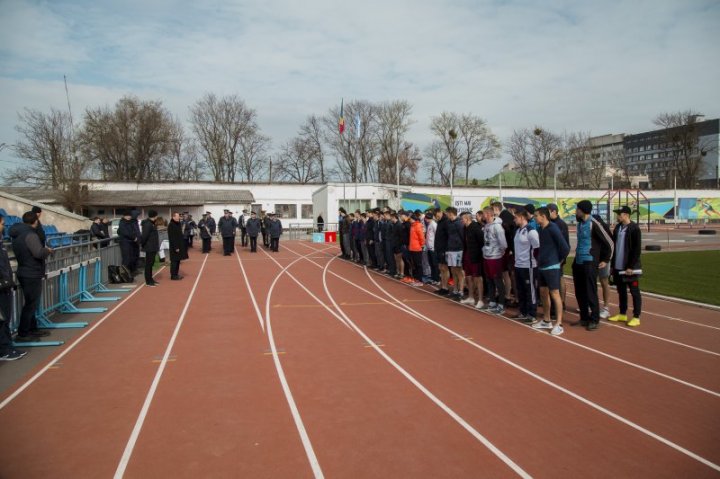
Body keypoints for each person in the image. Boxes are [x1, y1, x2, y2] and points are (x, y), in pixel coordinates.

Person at [9, 211, 53, 342]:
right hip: (31, 272)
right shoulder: (30, 235)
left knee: (31, 303)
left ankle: (32, 328)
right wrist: (48, 251)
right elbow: (38, 253)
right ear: (36, 221)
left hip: (24, 270)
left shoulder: (17, 234)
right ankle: (23, 333)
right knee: (31, 304)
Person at [572, 200, 614, 331]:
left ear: (582, 210)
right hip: (578, 260)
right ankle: (584, 317)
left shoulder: (594, 223)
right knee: (579, 291)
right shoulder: (579, 224)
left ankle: (594, 319)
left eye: (577, 209)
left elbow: (610, 242)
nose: (575, 211)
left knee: (590, 291)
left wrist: (606, 259)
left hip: (590, 260)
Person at [534, 207, 570, 335]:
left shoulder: (553, 228)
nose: (534, 218)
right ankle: (546, 319)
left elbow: (565, 247)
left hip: (552, 267)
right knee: (543, 293)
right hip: (542, 266)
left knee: (555, 293)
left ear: (543, 216)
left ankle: (559, 323)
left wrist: (558, 261)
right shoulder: (540, 229)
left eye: (536, 215)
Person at [609, 206, 643, 327]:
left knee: (634, 292)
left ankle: (636, 316)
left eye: (619, 214)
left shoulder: (634, 229)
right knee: (621, 291)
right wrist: (612, 266)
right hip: (618, 266)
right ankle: (622, 313)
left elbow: (636, 249)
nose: (617, 216)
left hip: (630, 268)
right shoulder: (617, 228)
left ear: (626, 215)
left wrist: (630, 266)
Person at [0, 214, 27, 360]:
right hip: (1, 286)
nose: (4, 226)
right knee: (2, 319)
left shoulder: (1, 243)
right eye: (2, 224)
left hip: (5, 285)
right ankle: (4, 350)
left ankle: (7, 346)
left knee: (5, 318)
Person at [513, 207, 540, 323]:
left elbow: (537, 247)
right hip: (518, 265)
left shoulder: (531, 231)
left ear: (522, 217)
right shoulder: (518, 230)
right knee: (521, 290)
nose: (514, 220)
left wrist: (534, 261)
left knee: (530, 290)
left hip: (528, 266)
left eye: (516, 217)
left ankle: (532, 313)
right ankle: (523, 311)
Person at [482, 206, 508, 314]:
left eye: (484, 214)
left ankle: (501, 304)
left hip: (495, 257)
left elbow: (503, 242)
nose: (483, 216)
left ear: (488, 214)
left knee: (497, 280)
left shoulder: (497, 227)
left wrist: (500, 251)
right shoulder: (487, 225)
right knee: (489, 280)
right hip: (487, 256)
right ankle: (492, 302)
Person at [547, 203, 570, 313]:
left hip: (558, 257)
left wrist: (562, 258)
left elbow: (565, 243)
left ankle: (562, 302)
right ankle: (554, 304)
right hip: (550, 257)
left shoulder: (561, 224)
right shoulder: (549, 223)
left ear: (554, 211)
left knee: (559, 279)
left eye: (548, 212)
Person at [460, 212, 485, 308]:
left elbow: (482, 242)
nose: (461, 220)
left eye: (462, 219)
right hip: (467, 256)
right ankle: (471, 297)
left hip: (475, 257)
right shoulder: (465, 228)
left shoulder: (476, 228)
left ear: (467, 219)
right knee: (468, 277)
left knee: (478, 278)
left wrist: (478, 255)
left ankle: (481, 300)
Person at [445, 207, 465, 301]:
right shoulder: (448, 223)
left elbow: (462, 236)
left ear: (451, 213)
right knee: (453, 270)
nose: (446, 215)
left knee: (459, 271)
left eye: (447, 213)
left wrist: (462, 247)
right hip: (450, 249)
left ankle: (461, 291)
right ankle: (455, 290)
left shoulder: (459, 223)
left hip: (458, 250)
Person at [140, 210, 160, 287]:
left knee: (151, 264)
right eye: (156, 216)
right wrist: (143, 244)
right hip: (149, 247)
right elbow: (145, 236)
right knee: (148, 264)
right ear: (154, 216)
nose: (157, 217)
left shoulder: (152, 223)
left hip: (153, 246)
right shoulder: (148, 224)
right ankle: (148, 281)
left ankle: (151, 279)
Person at [433, 208, 451, 296]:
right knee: (440, 268)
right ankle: (443, 286)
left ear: (440, 212)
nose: (437, 217)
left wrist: (446, 249)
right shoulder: (439, 222)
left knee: (445, 268)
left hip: (444, 249)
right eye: (435, 216)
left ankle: (446, 287)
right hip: (438, 248)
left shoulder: (446, 222)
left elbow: (448, 236)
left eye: (437, 215)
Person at [117, 210, 139, 276]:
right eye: (127, 216)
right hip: (125, 242)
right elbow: (125, 232)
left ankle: (130, 272)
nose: (129, 217)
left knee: (131, 258)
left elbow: (133, 231)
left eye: (129, 216)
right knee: (126, 258)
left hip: (130, 242)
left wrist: (135, 237)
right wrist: (133, 237)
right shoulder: (122, 223)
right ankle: (124, 274)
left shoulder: (130, 222)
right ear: (124, 216)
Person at [407, 212, 425, 286]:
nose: (409, 220)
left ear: (413, 219)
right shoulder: (412, 226)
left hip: (417, 248)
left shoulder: (417, 226)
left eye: (410, 219)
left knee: (418, 265)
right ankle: (416, 279)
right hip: (412, 248)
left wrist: (421, 245)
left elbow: (421, 237)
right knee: (414, 265)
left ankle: (420, 280)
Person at [167, 212, 187, 280]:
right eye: (178, 216)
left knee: (178, 261)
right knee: (174, 261)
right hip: (175, 247)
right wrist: (176, 247)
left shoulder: (177, 224)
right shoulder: (171, 225)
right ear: (173, 217)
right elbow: (172, 237)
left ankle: (176, 274)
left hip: (179, 245)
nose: (179, 217)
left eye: (179, 216)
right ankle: (173, 275)